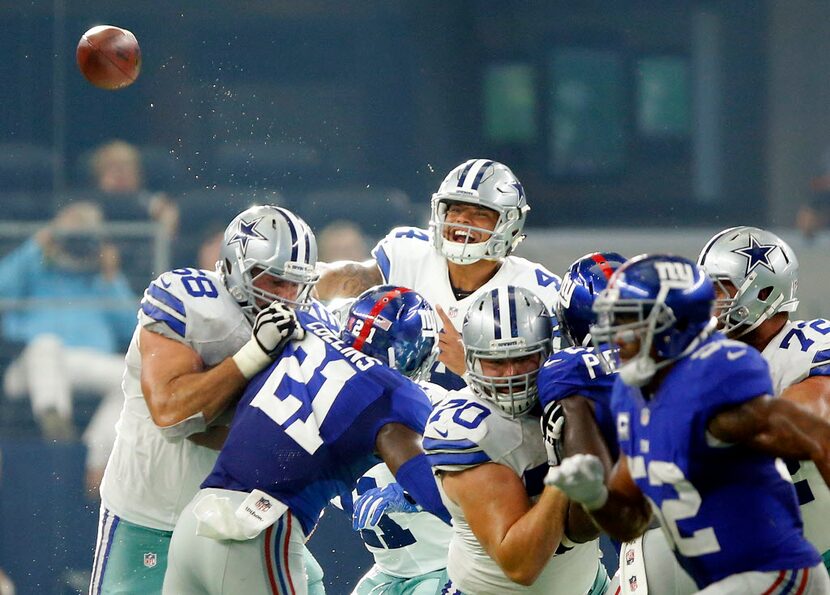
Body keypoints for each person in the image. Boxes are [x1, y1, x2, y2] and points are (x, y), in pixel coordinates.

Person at [546, 254, 830, 593]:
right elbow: (629, 521)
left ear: (675, 327)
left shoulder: (716, 377)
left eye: (629, 321)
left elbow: (819, 438)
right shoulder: (634, 396)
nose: (615, 335)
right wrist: (595, 496)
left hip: (772, 568)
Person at [89, 205, 327, 594]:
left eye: (294, 284)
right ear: (236, 267)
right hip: (153, 519)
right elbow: (173, 415)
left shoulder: (311, 326)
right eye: (271, 280)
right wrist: (253, 355)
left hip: (243, 523)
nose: (284, 297)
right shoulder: (189, 303)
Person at [162, 290, 452, 595]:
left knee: (310, 578)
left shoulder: (305, 328)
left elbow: (197, 425)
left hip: (197, 521)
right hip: (256, 531)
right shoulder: (394, 396)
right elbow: (443, 493)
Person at [315, 158, 561, 390]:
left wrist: (469, 368)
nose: (463, 219)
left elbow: (548, 398)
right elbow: (349, 277)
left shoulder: (536, 292)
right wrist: (295, 281)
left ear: (509, 224)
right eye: (455, 209)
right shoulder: (410, 254)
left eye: (480, 213)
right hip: (399, 416)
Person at [423, 286, 607, 594]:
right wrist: (563, 468)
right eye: (497, 362)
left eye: (524, 359)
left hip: (589, 584)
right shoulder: (467, 429)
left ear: (548, 352)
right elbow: (521, 565)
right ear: (471, 359)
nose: (511, 375)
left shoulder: (568, 391)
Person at [340, 285, 454, 594]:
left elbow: (487, 485)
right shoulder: (329, 404)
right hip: (388, 573)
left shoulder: (437, 407)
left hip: (449, 568)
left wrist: (416, 493)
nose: (365, 366)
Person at [0, 202, 136, 451]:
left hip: (86, 361)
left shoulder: (103, 280)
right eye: (70, 237)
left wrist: (110, 276)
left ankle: (92, 456)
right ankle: (57, 431)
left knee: (133, 378)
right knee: (46, 344)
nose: (76, 244)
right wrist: (36, 247)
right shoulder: (34, 268)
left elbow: (133, 328)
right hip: (31, 364)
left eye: (82, 238)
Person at [88, 140, 179, 237]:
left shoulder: (157, 202)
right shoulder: (88, 203)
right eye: (112, 167)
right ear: (98, 175)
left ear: (139, 173)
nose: (120, 173)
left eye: (127, 166)